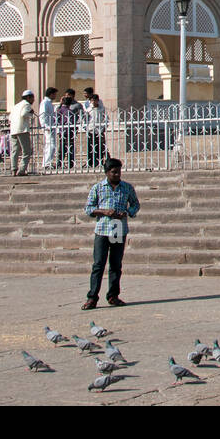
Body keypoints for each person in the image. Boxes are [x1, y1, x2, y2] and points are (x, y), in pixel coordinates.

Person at [83, 157, 139, 309]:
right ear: (107, 173)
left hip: (118, 228)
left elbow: (135, 204)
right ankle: (92, 297)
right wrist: (104, 212)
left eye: (119, 172)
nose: (117, 175)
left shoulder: (126, 188)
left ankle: (113, 295)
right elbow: (88, 208)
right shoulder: (98, 188)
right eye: (114, 172)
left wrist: (127, 212)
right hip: (102, 229)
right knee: (98, 264)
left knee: (115, 264)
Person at [9, 90, 35, 176]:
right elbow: (24, 114)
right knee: (26, 151)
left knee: (15, 151)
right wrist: (31, 114)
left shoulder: (16, 106)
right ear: (28, 97)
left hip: (13, 130)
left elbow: (10, 118)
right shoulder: (26, 105)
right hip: (22, 130)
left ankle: (13, 169)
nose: (33, 100)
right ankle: (22, 170)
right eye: (32, 98)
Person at [55, 94, 83, 170]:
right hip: (70, 131)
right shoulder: (70, 111)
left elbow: (55, 119)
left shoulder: (59, 110)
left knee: (62, 147)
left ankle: (59, 163)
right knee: (70, 147)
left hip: (62, 132)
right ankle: (70, 163)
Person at [85, 93, 108, 168]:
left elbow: (106, 118)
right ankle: (90, 162)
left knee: (100, 147)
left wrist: (104, 126)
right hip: (91, 130)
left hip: (100, 130)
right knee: (91, 147)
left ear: (98, 101)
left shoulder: (102, 109)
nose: (93, 102)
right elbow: (85, 120)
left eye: (95, 100)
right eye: (92, 100)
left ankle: (100, 161)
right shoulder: (88, 110)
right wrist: (86, 128)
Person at [38, 87, 58, 169]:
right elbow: (42, 115)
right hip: (48, 127)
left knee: (50, 145)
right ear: (51, 94)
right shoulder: (45, 103)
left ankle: (47, 162)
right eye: (54, 94)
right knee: (51, 145)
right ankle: (46, 163)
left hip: (51, 126)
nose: (55, 96)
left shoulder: (49, 103)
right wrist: (45, 126)